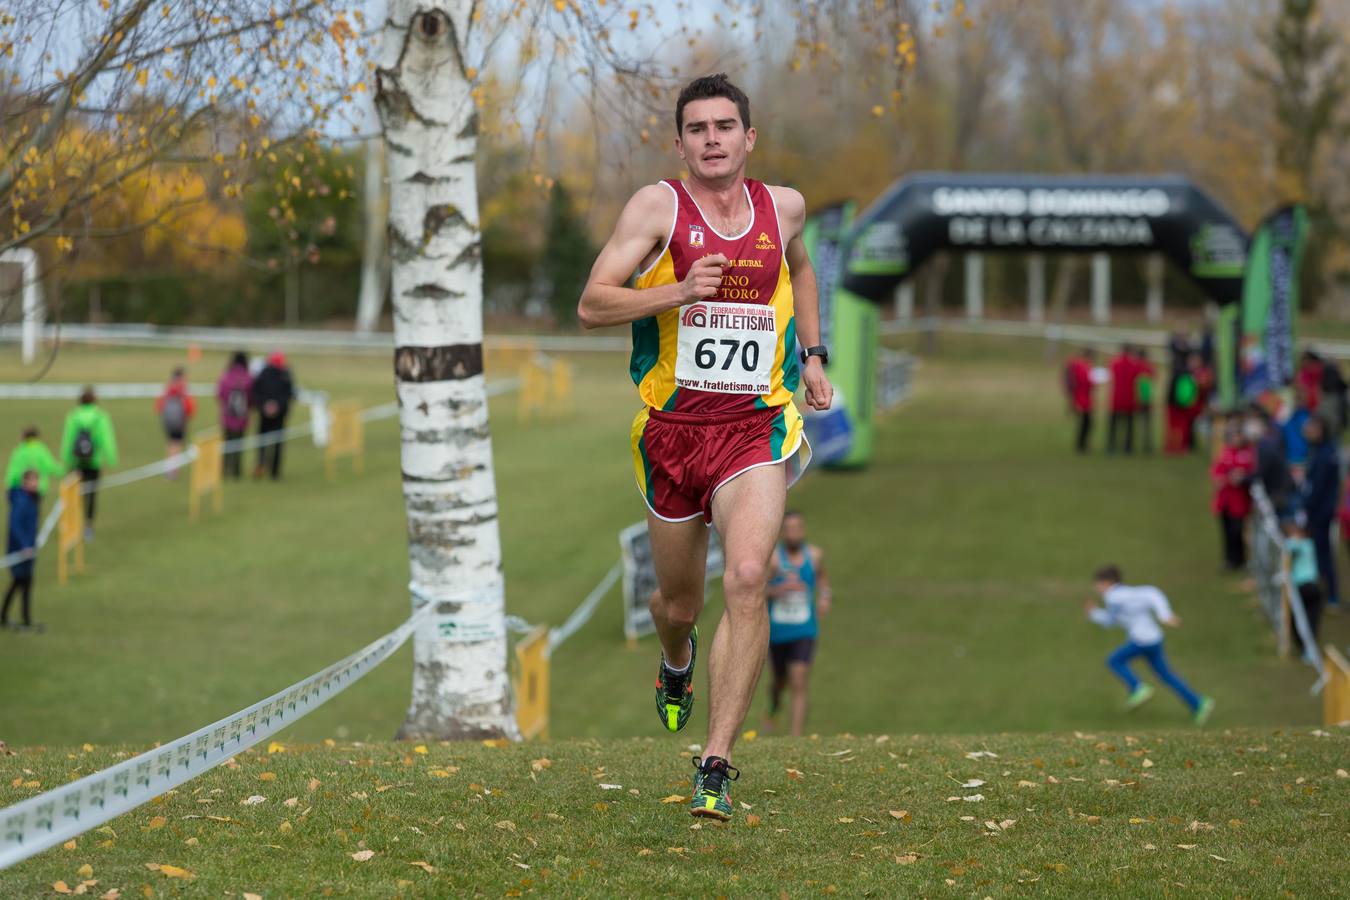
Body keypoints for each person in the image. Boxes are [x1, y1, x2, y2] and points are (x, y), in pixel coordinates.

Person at [577, 73, 832, 821]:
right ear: (681, 140)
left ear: (749, 138)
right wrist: (678, 292)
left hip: (756, 426)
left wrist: (814, 354)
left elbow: (804, 266)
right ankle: (675, 662)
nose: (712, 139)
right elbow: (592, 303)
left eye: (725, 126)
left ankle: (715, 764)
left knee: (749, 574)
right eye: (698, 128)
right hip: (674, 433)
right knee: (680, 603)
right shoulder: (658, 208)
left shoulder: (783, 207)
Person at [1084, 565, 1214, 725]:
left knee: (1114, 660)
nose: (1097, 588)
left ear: (1108, 582)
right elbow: (1152, 593)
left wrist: (1165, 615)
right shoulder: (1127, 593)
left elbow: (1111, 621)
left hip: (1141, 640)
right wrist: (1165, 614)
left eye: (1099, 584)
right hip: (1154, 638)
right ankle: (1198, 703)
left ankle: (1138, 688)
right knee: (1166, 675)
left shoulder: (1113, 596)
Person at [761, 510, 832, 737]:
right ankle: (773, 707)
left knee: (799, 681)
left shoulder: (814, 555)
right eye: (788, 529)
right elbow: (757, 591)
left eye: (797, 528)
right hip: (778, 630)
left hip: (804, 628)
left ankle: (795, 737)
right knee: (780, 682)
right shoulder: (773, 560)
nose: (793, 533)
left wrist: (825, 596)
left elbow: (822, 578)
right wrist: (778, 589)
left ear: (803, 530)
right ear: (782, 532)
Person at [60, 387, 118, 540]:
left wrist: (66, 460)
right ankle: (88, 526)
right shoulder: (100, 417)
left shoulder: (73, 416)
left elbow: (68, 440)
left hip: (77, 461)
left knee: (75, 494)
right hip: (94, 461)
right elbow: (107, 439)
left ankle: (73, 524)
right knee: (91, 495)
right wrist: (111, 459)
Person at [1301, 414, 1340, 609]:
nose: (1307, 431)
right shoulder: (1318, 450)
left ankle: (1331, 594)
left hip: (1322, 512)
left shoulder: (1326, 453)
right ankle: (1326, 593)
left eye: (1312, 428)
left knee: (1323, 553)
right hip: (1319, 509)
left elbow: (1319, 487)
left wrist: (1306, 505)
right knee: (1319, 552)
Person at [1210, 421, 1254, 571]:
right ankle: (1229, 560)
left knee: (1237, 531)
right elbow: (1217, 470)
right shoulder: (1226, 452)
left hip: (1239, 502)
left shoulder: (1248, 453)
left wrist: (1233, 477)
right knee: (1227, 531)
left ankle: (1240, 560)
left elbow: (1246, 475)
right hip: (1225, 501)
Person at [2, 470, 41, 632]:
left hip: (28, 550)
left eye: (36, 481)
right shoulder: (22, 501)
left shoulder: (32, 499)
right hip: (19, 551)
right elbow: (15, 526)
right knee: (20, 582)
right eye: (32, 481)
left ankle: (21, 618)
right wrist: (25, 545)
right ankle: (18, 618)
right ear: (24, 482)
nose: (35, 484)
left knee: (24, 583)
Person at [251, 351, 295, 480]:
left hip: (272, 413)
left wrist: (266, 405)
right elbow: (288, 395)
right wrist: (272, 406)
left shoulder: (265, 374)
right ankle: (270, 470)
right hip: (275, 414)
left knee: (266, 442)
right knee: (272, 443)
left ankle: (265, 467)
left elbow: (256, 392)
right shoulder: (284, 375)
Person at [1283, 521, 1322, 655]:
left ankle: (1306, 648)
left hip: (1303, 588)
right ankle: (1308, 648)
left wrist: (1291, 539)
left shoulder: (1300, 545)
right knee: (1309, 619)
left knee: (1302, 618)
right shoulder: (1310, 544)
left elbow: (1291, 546)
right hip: (1309, 587)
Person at [217, 351, 254, 479]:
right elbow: (251, 398)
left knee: (226, 443)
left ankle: (224, 468)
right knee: (239, 444)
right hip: (242, 418)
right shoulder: (248, 377)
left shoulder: (226, 376)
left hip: (227, 416)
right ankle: (236, 470)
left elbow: (220, 394)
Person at [155, 367, 196, 480]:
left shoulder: (167, 388)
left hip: (167, 421)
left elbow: (159, 405)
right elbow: (190, 407)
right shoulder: (182, 389)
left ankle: (171, 469)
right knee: (176, 445)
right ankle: (172, 471)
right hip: (179, 421)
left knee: (171, 444)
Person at [5, 426, 63, 499]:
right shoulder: (40, 449)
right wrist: (65, 472)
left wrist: (10, 485)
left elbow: (14, 471)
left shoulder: (20, 450)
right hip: (38, 489)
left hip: (20, 489)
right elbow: (51, 466)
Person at [1107, 345, 1137, 454]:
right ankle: (1128, 447)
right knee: (1129, 424)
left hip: (1117, 398)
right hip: (1129, 398)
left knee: (1113, 424)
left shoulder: (1114, 363)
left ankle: (1111, 446)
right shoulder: (1133, 364)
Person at [1064, 348, 1095, 453]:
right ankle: (1081, 445)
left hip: (1081, 398)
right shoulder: (1083, 366)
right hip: (1082, 399)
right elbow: (1085, 382)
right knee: (1085, 423)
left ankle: (1081, 445)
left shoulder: (1079, 365)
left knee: (1084, 423)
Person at [1132, 346, 1156, 454]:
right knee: (1147, 423)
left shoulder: (1136, 365)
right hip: (1146, 398)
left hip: (1137, 397)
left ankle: (1133, 444)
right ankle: (1147, 445)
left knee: (1136, 422)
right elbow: (1154, 376)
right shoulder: (1148, 366)